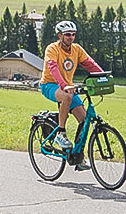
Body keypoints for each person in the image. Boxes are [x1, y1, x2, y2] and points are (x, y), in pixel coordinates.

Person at [40, 18, 104, 149]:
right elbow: (53, 68)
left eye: (73, 34)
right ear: (60, 35)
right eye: (68, 34)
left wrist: (104, 76)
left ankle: (77, 154)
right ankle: (60, 133)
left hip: (67, 87)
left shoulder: (77, 49)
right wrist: (64, 85)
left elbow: (90, 64)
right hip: (49, 85)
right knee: (67, 96)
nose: (71, 37)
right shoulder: (52, 49)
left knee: (84, 120)